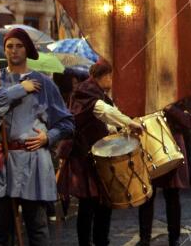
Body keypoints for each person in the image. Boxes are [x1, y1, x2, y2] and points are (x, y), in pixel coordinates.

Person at [0, 28, 74, 246]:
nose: (14, 50)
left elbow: (67, 122)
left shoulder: (44, 84)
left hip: (33, 160)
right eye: (10, 46)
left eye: (19, 45)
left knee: (37, 228)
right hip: (4, 162)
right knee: (4, 230)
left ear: (27, 49)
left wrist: (48, 137)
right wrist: (20, 89)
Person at [57, 59, 142, 246]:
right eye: (112, 77)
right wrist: (130, 123)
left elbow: (102, 120)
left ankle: (101, 241)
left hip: (96, 155)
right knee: (87, 205)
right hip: (83, 155)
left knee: (103, 203)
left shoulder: (95, 91)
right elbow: (103, 111)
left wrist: (116, 128)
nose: (113, 82)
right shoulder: (86, 90)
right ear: (105, 75)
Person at [138, 101, 191, 246]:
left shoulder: (183, 97)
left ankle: (174, 238)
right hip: (150, 147)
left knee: (172, 196)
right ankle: (144, 238)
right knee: (147, 196)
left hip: (173, 148)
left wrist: (170, 108)